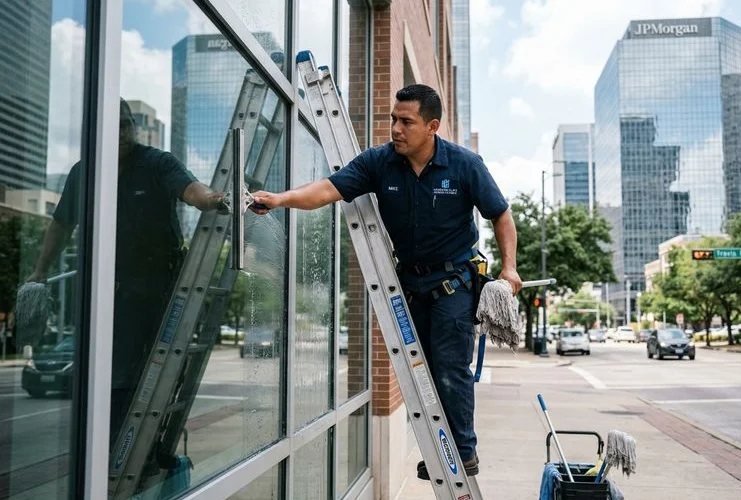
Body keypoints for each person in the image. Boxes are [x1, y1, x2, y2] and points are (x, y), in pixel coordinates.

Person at [250, 84, 521, 478]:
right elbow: (326, 189)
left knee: (449, 367)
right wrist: (279, 199)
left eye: (406, 121)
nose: (395, 128)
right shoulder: (380, 163)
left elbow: (501, 215)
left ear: (431, 126)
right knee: (422, 370)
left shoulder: (465, 164)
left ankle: (462, 451)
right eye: (393, 119)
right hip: (411, 285)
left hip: (454, 282)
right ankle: (438, 446)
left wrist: (509, 268)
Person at [27, 99, 234, 448]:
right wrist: (39, 271)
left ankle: (142, 449)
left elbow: (191, 191)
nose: (122, 132)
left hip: (158, 288)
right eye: (114, 125)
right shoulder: (84, 172)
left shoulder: (156, 163)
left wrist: (213, 199)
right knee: (108, 375)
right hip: (106, 291)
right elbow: (61, 225)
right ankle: (107, 451)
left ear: (134, 127)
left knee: (147, 374)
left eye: (126, 124)